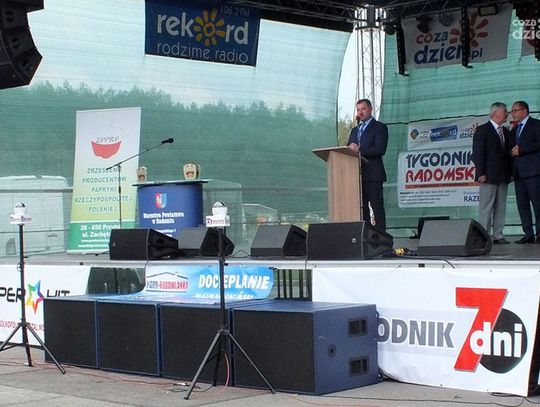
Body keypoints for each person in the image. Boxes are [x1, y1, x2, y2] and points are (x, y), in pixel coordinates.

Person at [471, 102, 513, 244]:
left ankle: (498, 235)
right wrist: (480, 172)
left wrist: (511, 173)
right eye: (505, 111)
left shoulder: (506, 132)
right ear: (495, 113)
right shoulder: (482, 130)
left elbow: (508, 155)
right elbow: (477, 153)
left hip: (503, 175)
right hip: (488, 176)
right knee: (486, 207)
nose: (507, 114)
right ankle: (484, 235)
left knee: (501, 206)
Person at [347, 99, 389, 232]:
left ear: (370, 109)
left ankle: (381, 236)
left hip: (373, 174)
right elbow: (350, 149)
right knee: (362, 208)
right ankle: (366, 235)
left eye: (363, 109)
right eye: (358, 110)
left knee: (377, 207)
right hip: (357, 175)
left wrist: (359, 149)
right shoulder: (355, 130)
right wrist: (350, 149)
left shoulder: (379, 127)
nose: (360, 112)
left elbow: (380, 149)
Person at [509, 101, 540, 243]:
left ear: (525, 110)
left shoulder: (536, 125)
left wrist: (522, 150)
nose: (513, 113)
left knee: (537, 204)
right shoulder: (514, 130)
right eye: (512, 111)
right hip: (518, 174)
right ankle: (528, 233)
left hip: (534, 172)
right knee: (522, 206)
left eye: (515, 110)